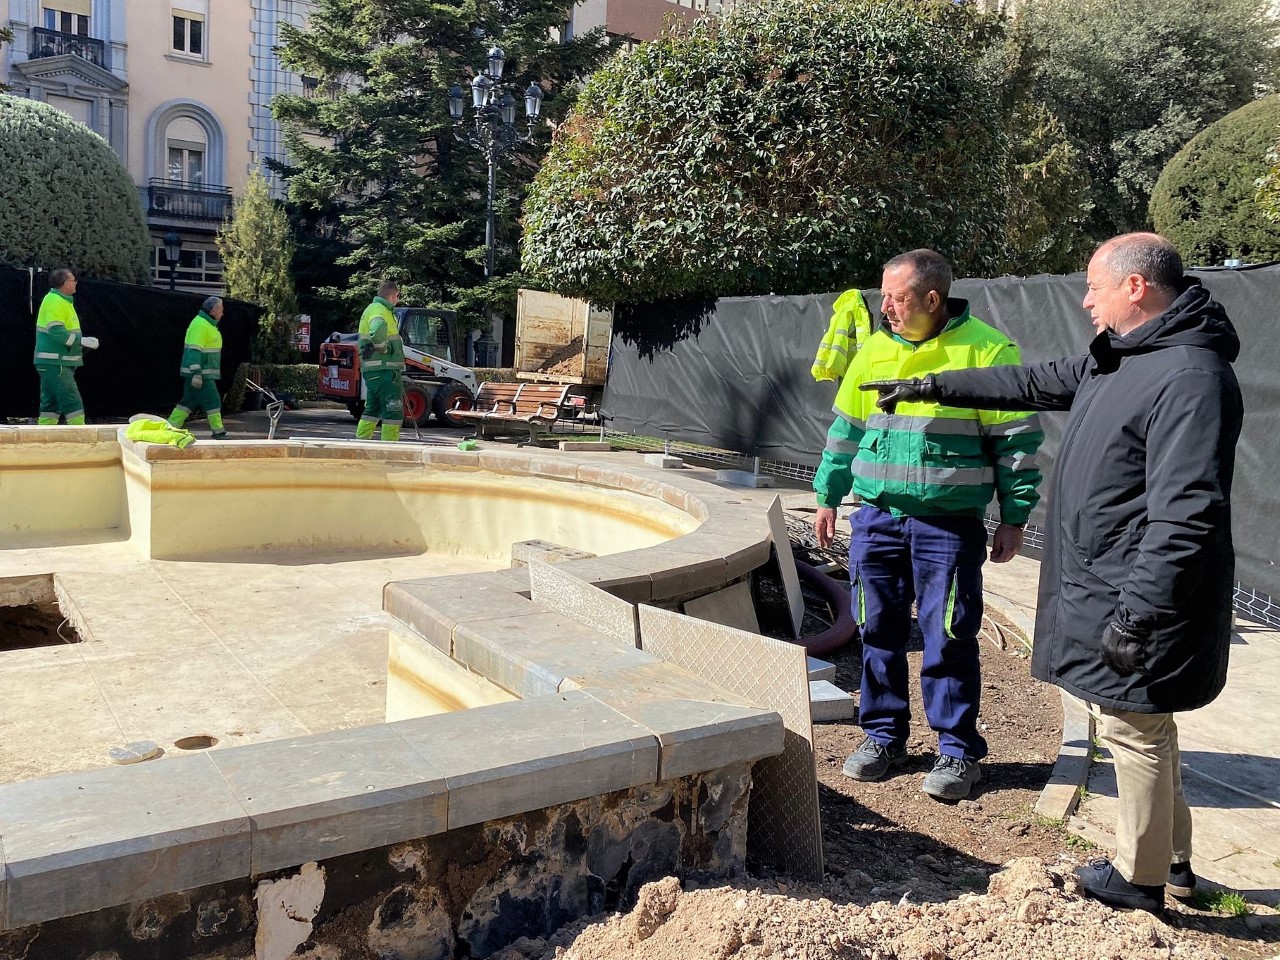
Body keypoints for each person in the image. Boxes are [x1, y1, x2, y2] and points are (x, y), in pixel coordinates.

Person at [861, 233, 1243, 914]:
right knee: (1146, 728)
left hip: (1139, 591)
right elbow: (1029, 382)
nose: (1086, 301)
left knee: (1134, 729)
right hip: (1110, 580)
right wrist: (934, 384)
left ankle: (1139, 880)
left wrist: (1139, 613)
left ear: (1135, 288)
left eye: (1094, 287)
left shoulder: (1189, 376)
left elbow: (1188, 514)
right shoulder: (1121, 356)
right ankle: (1174, 863)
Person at [813, 249, 1045, 801]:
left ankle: (958, 751)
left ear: (933, 299)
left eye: (897, 298)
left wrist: (1014, 517)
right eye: (884, 297)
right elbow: (845, 432)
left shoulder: (987, 351)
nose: (885, 308)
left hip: (948, 526)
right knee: (877, 631)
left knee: (949, 637)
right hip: (877, 521)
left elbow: (1016, 443)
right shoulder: (873, 350)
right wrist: (828, 496)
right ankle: (883, 738)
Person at [34, 268, 99, 425]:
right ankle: (80, 433)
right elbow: (55, 330)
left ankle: (44, 433)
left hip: (53, 361)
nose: (76, 283)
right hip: (56, 361)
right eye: (73, 280)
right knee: (71, 400)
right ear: (65, 283)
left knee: (51, 402)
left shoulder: (59, 301)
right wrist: (81, 341)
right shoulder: (55, 301)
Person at [168, 296, 227, 439]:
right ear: (213, 311)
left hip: (198, 374)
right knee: (213, 401)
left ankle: (170, 427)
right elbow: (194, 350)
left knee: (188, 402)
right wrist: (196, 373)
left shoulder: (204, 324)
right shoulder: (201, 325)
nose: (222, 313)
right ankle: (218, 432)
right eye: (221, 310)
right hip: (201, 374)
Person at [356, 279, 405, 442]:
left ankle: (361, 443)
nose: (397, 301)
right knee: (393, 410)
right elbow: (377, 329)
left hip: (374, 370)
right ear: (391, 296)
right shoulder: (380, 310)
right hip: (385, 369)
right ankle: (389, 447)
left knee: (372, 410)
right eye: (397, 297)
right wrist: (382, 348)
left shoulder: (372, 309)